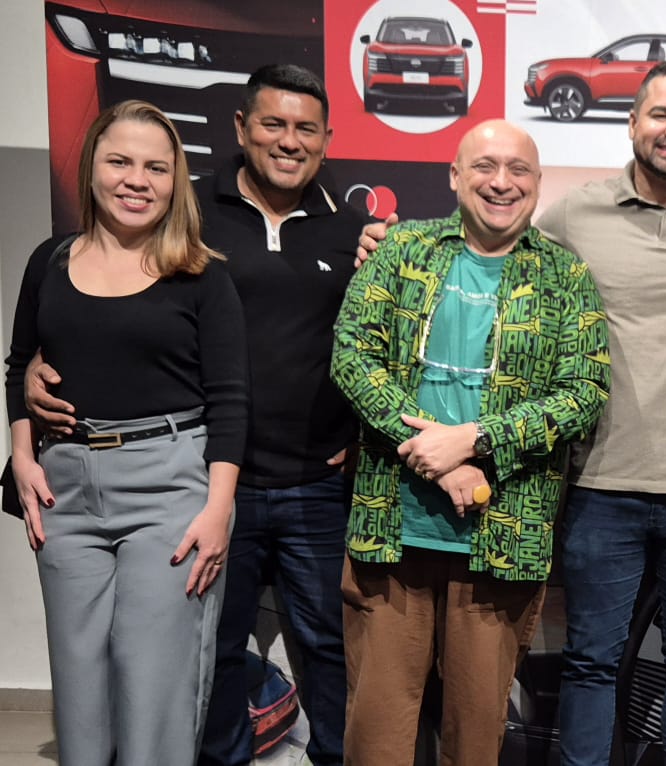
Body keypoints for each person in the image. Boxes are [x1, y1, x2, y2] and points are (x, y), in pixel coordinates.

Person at [355, 59, 666, 765]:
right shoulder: (572, 215)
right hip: (598, 482)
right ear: (632, 121)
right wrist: (384, 246)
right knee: (591, 661)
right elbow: (491, 244)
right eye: (661, 114)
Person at [25, 65, 366, 766]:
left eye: (306, 128)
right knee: (206, 660)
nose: (289, 140)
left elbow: (381, 344)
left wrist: (366, 433)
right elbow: (67, 331)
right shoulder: (186, 213)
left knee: (330, 650)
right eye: (273, 123)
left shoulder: (353, 233)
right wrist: (30, 385)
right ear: (241, 127)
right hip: (205, 480)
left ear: (327, 139)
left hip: (305, 485)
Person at [331, 119, 609, 765]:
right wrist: (439, 461)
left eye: (519, 169)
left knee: (477, 739)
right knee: (375, 737)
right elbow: (351, 355)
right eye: (484, 166)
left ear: (537, 184)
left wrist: (477, 441)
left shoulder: (565, 275)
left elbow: (584, 390)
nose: (501, 182)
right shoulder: (403, 250)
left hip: (502, 540)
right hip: (391, 532)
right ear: (455, 176)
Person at [4, 99, 247, 765]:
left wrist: (218, 510)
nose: (136, 180)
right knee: (79, 688)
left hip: (170, 489)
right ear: (91, 169)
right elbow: (19, 364)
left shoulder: (202, 274)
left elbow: (231, 400)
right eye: (120, 162)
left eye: (155, 168)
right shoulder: (49, 261)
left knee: (153, 686)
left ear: (175, 182)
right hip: (64, 491)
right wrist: (21, 456)